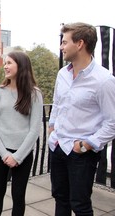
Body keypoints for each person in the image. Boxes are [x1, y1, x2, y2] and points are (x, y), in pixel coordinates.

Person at [48, 22, 115, 216]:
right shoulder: (62, 74)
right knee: (60, 199)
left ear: (80, 44)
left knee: (80, 205)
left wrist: (86, 145)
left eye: (64, 42)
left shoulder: (104, 80)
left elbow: (112, 123)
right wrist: (52, 129)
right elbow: (57, 104)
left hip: (81, 154)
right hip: (58, 147)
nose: (61, 46)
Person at [0, 51, 43, 216]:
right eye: (5, 63)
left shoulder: (35, 94)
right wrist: (4, 154)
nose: (5, 66)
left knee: (18, 196)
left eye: (9, 63)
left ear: (21, 66)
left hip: (23, 155)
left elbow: (34, 129)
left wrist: (17, 157)